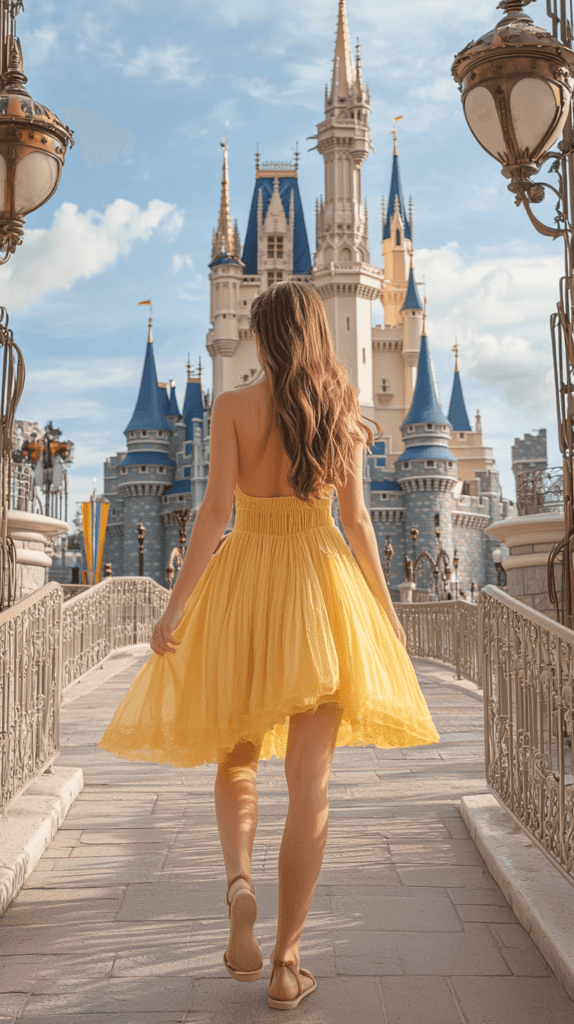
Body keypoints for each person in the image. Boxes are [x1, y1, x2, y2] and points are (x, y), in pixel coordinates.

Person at [97, 281, 439, 1011]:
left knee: (238, 759)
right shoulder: (343, 412)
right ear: (317, 331)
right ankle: (286, 962)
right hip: (320, 591)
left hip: (244, 585)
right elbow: (360, 525)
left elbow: (215, 513)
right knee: (310, 786)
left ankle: (239, 882)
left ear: (258, 336)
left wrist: (176, 609)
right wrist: (387, 614)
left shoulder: (230, 408)